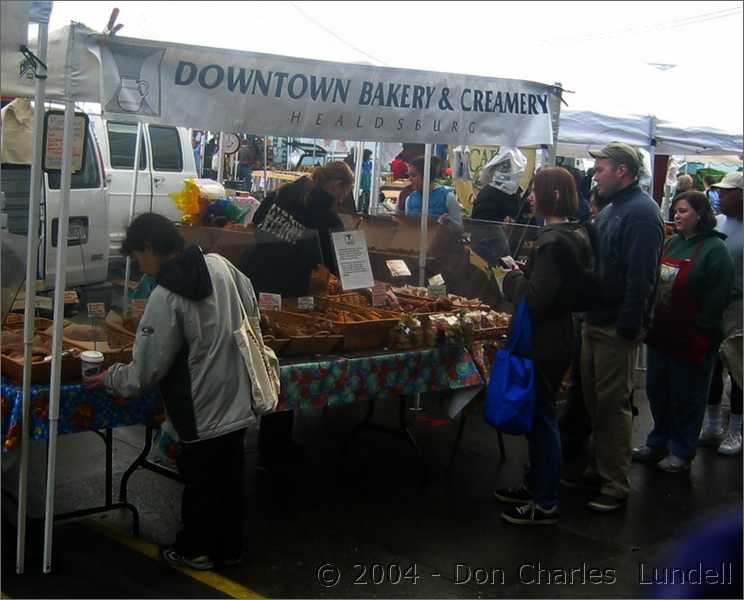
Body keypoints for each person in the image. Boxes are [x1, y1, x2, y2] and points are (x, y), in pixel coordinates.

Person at [87, 213, 261, 570]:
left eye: (138, 260)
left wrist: (109, 378)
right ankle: (229, 549)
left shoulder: (166, 295)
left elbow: (145, 371)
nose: (142, 270)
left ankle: (194, 549)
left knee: (200, 483)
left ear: (149, 247)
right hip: (237, 395)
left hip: (199, 405)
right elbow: (253, 306)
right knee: (228, 479)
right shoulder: (220, 265)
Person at [493, 167, 597, 525]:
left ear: (551, 195)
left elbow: (536, 299)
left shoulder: (552, 240)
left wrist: (511, 279)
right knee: (542, 414)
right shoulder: (576, 232)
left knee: (541, 419)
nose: (530, 199)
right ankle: (536, 484)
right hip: (560, 334)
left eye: (535, 192)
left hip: (544, 340)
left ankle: (545, 501)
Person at [241, 162, 354, 468]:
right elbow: (336, 259)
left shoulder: (282, 193)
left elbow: (257, 224)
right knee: (283, 360)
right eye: (344, 190)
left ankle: (241, 428)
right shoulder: (324, 212)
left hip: (254, 280)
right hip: (288, 291)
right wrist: (359, 279)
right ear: (336, 185)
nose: (343, 197)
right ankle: (274, 443)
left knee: (255, 352)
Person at [576, 142, 664, 512]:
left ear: (622, 172)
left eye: (601, 169)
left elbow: (641, 277)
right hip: (596, 319)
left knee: (613, 405)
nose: (596, 175)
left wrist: (630, 324)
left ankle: (615, 482)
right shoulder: (613, 208)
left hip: (615, 326)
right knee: (596, 401)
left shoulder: (642, 213)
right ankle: (601, 467)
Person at [633, 191, 734, 471]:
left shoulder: (716, 251)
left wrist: (700, 329)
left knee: (686, 396)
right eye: (676, 210)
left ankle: (682, 449)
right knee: (658, 390)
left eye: (684, 211)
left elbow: (720, 297)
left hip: (693, 337)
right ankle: (658, 441)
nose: (677, 215)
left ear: (700, 215)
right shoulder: (673, 243)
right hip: (662, 333)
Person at [699, 171, 744, 455]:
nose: (721, 196)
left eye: (727, 192)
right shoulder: (719, 223)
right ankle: (713, 423)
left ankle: (736, 429)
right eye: (720, 191)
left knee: (738, 369)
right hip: (717, 305)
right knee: (713, 365)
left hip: (741, 307)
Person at [405, 155, 462, 225]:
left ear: (427, 175)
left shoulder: (448, 198)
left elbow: (460, 229)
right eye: (409, 175)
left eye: (413, 175)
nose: (410, 179)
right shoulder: (409, 199)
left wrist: (450, 222)